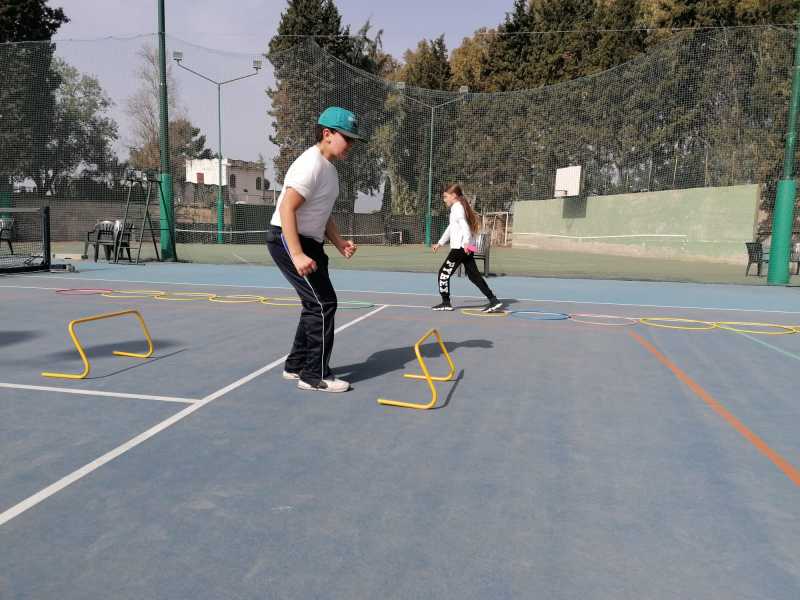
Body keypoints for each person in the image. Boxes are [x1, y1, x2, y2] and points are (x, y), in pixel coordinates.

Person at [266, 106, 364, 393]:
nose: (351, 144)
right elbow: (287, 208)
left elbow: (322, 213)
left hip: (311, 241)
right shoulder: (310, 165)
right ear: (327, 134)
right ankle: (313, 375)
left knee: (316, 303)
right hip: (288, 239)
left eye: (353, 139)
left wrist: (339, 242)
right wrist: (297, 254)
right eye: (347, 137)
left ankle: (295, 365)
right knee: (323, 303)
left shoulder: (329, 170)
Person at [431, 184, 502, 313]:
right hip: (467, 246)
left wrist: (465, 243)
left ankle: (446, 302)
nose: (444, 199)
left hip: (460, 248)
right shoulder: (459, 207)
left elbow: (464, 227)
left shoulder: (457, 208)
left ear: (453, 196)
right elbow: (451, 228)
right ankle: (493, 300)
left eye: (445, 197)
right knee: (474, 276)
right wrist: (440, 243)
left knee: (443, 274)